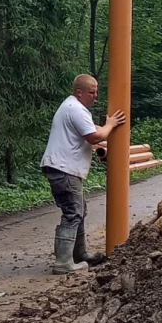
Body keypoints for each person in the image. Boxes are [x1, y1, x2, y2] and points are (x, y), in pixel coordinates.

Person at [41, 74, 125, 274]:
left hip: (62, 168)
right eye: (91, 92)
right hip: (64, 169)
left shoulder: (71, 107)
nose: (95, 96)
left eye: (97, 91)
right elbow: (95, 135)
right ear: (79, 92)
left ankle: (78, 255)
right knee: (73, 213)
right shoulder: (76, 109)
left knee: (79, 210)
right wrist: (111, 124)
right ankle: (63, 263)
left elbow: (89, 134)